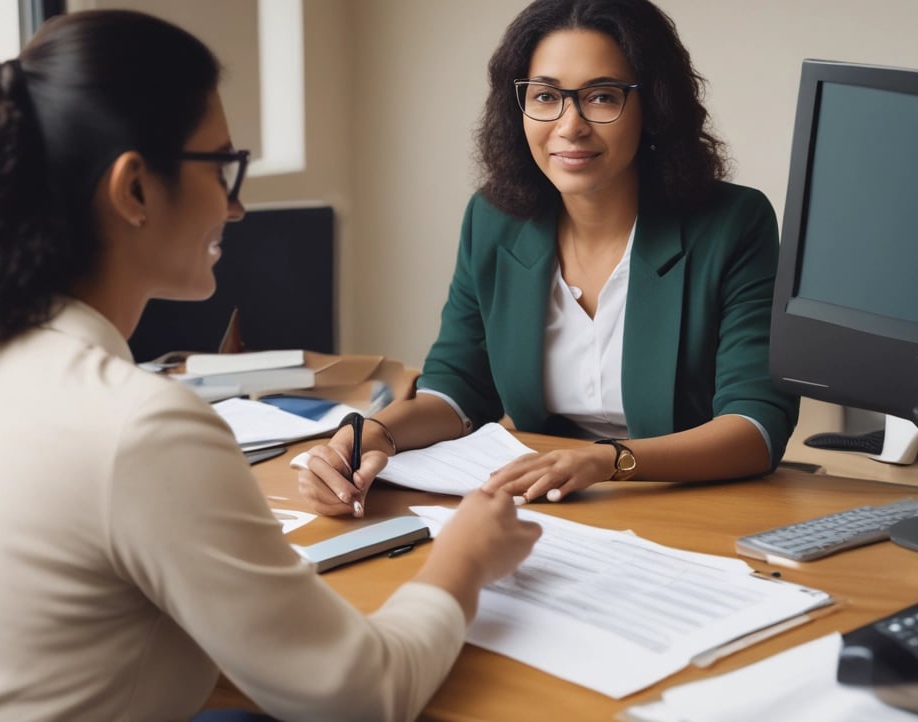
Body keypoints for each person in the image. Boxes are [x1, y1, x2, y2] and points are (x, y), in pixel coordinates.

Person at [0, 10, 540, 722]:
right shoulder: (139, 426)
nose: (239, 206)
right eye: (222, 167)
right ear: (134, 190)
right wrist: (463, 559)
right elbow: (363, 698)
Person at [297, 0, 799, 517]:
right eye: (546, 96)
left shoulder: (733, 223)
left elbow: (755, 427)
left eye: (602, 97)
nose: (570, 125)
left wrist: (605, 461)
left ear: (653, 106)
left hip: (692, 506)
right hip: (551, 508)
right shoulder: (494, 220)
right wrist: (371, 436)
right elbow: (459, 388)